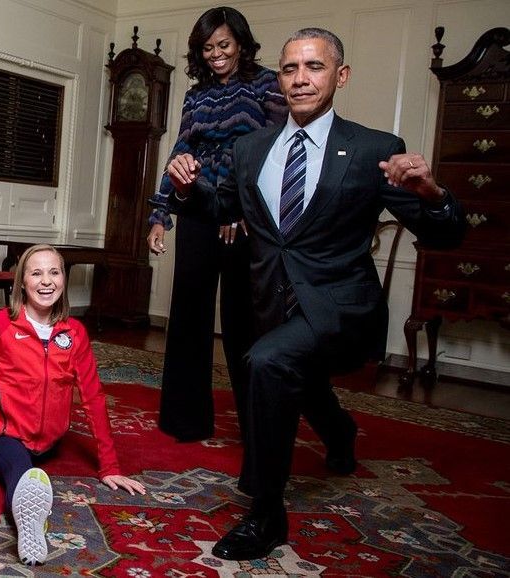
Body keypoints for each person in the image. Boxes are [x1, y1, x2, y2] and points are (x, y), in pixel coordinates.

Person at [168, 28, 465, 561]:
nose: (301, 79)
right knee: (287, 369)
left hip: (340, 304)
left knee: (266, 363)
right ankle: (340, 430)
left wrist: (432, 193)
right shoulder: (249, 148)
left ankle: (265, 511)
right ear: (278, 79)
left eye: (314, 67)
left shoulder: (376, 148)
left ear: (340, 76)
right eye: (290, 69)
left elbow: (443, 233)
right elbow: (222, 211)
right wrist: (188, 191)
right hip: (269, 300)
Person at [0, 244, 146, 566]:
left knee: (33, 466)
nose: (46, 281)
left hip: (50, 440)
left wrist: (109, 467)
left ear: (63, 279)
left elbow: (93, 398)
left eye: (54, 272)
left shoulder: (75, 333)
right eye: (36, 273)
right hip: (5, 436)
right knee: (21, 470)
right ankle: (29, 525)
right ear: (22, 283)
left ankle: (29, 499)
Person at [146, 6, 288, 454]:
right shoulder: (195, 96)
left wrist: (242, 209)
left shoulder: (267, 85)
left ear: (241, 43)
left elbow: (277, 154)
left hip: (243, 216)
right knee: (188, 313)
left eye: (223, 45)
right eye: (207, 48)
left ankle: (257, 426)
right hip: (197, 211)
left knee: (244, 323)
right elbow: (181, 151)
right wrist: (159, 214)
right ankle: (184, 421)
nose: (216, 55)